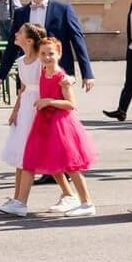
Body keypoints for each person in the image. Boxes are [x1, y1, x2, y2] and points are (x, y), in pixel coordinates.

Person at [0, 24, 76, 218]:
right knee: (23, 155)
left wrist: (69, 81)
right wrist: (15, 110)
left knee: (33, 155)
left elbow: (59, 75)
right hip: (26, 110)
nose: (15, 34)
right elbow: (23, 88)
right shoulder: (21, 61)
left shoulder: (41, 61)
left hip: (40, 108)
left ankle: (25, 201)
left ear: (29, 40)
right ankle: (18, 199)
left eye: (19, 33)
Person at [21, 34, 97, 218]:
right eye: (44, 53)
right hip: (44, 122)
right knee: (51, 161)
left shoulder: (61, 77)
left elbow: (71, 104)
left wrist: (49, 101)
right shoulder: (42, 73)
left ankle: (87, 202)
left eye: (51, 53)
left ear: (59, 54)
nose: (47, 57)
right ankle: (69, 196)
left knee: (71, 165)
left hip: (61, 124)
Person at [0, 0, 95, 90]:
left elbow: (78, 41)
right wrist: (1, 73)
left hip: (58, 74)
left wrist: (87, 74)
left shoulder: (64, 10)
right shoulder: (20, 13)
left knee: (58, 108)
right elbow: (12, 45)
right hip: (29, 75)